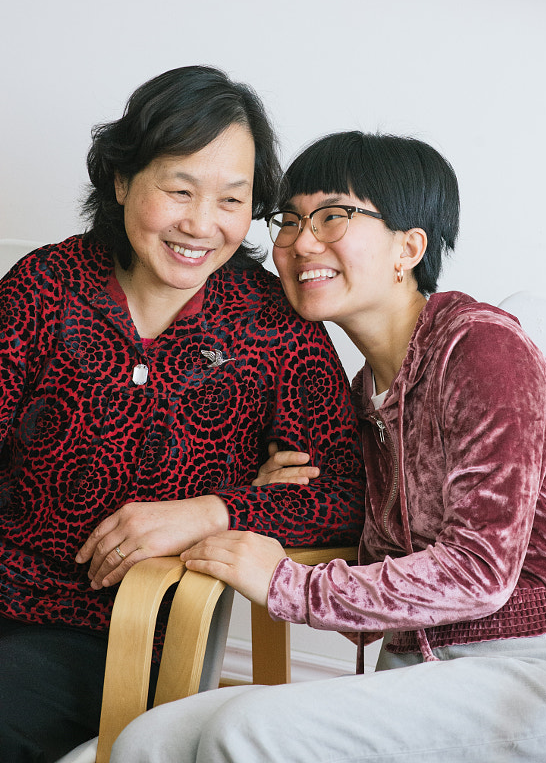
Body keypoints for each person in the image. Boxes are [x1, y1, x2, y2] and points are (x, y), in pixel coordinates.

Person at [112, 130, 546, 763]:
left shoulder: (481, 348)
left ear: (409, 247)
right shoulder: (364, 395)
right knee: (148, 739)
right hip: (418, 675)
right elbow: (339, 504)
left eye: (334, 216)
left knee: (248, 728)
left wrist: (289, 585)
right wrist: (251, 497)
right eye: (291, 219)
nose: (302, 241)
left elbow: (480, 572)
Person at [0, 72, 364, 763]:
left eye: (231, 200)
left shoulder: (274, 328)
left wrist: (216, 510)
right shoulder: (43, 287)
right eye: (179, 190)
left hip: (116, 636)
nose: (202, 224)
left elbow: (348, 493)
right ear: (120, 180)